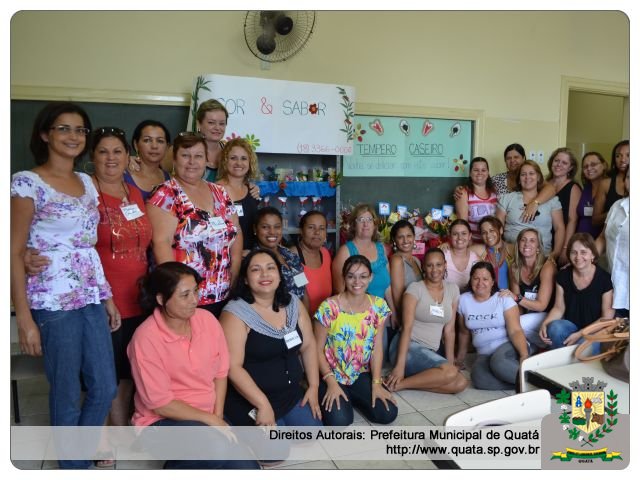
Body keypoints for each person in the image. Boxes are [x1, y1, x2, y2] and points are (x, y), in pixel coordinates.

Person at [10, 102, 117, 469]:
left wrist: (107, 297)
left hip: (89, 295)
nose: (74, 136)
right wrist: (24, 320)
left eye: (80, 130)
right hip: (52, 300)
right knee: (67, 391)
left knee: (105, 386)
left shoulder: (87, 182)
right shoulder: (27, 181)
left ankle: (77, 455)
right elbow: (13, 250)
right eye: (64, 129)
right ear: (45, 134)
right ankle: (75, 466)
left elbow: (86, 246)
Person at [127, 262, 258, 469]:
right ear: (161, 299)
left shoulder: (207, 320)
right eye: (184, 295)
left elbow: (221, 374)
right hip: (160, 423)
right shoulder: (145, 338)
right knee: (216, 448)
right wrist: (211, 422)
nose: (194, 300)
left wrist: (217, 416)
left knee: (248, 468)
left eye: (196, 291)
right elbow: (161, 403)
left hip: (205, 415)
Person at [90, 127, 153, 431]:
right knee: (101, 372)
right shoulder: (86, 192)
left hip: (138, 299)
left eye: (118, 151)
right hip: (104, 299)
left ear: (129, 157)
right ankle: (102, 432)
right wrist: (104, 296)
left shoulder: (136, 194)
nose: (111, 158)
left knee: (129, 368)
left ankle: (120, 425)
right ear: (92, 157)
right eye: (103, 151)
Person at [220, 249, 322, 427]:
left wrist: (313, 387)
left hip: (288, 394)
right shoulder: (235, 313)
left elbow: (309, 345)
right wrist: (262, 404)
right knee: (275, 450)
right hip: (251, 400)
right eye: (255, 269)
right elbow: (233, 368)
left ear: (280, 275)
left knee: (312, 429)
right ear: (245, 279)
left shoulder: (293, 303)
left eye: (270, 268)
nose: (264, 274)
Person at [147, 132, 243, 318]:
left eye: (198, 156)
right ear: (174, 159)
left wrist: (235, 273)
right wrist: (176, 291)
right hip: (186, 300)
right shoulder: (166, 195)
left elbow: (236, 232)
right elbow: (161, 244)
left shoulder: (220, 192)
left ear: (206, 160)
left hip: (223, 294)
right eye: (185, 155)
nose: (192, 161)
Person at [314, 255, 398, 426]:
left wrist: (376, 383)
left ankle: (353, 396)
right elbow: (316, 349)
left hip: (360, 373)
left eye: (363, 276)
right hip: (332, 373)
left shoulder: (379, 306)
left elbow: (376, 348)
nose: (356, 281)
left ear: (371, 278)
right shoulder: (328, 307)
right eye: (351, 276)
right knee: (340, 420)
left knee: (388, 413)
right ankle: (339, 396)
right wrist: (330, 381)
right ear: (344, 277)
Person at [386, 248, 468, 393]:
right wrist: (399, 366)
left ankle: (404, 383)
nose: (434, 269)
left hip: (430, 352)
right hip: (407, 347)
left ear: (445, 265)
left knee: (460, 382)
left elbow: (449, 331)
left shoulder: (453, 289)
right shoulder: (415, 289)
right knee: (449, 373)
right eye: (430, 265)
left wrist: (449, 363)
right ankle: (398, 384)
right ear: (424, 267)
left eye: (438, 265)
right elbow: (407, 328)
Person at [456, 262, 530, 390]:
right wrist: (459, 359)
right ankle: (524, 385)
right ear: (471, 279)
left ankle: (538, 381)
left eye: (485, 279)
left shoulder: (503, 298)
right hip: (483, 354)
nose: (480, 283)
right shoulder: (463, 300)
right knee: (479, 378)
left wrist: (524, 355)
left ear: (492, 282)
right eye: (476, 278)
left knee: (498, 362)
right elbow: (464, 333)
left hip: (509, 347)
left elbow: (515, 330)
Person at [539, 233, 614, 349]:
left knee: (583, 346)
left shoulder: (605, 279)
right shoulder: (563, 276)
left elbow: (607, 318)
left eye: (583, 252)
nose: (578, 257)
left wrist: (580, 334)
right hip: (571, 326)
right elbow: (559, 308)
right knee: (554, 328)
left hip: (595, 330)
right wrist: (545, 323)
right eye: (574, 252)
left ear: (593, 254)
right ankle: (559, 362)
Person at [497, 160, 565, 258]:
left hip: (543, 256)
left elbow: (559, 228)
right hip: (512, 255)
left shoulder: (552, 201)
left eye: (531, 173)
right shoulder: (507, 199)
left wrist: (555, 254)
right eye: (523, 174)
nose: (527, 177)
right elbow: (497, 228)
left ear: (538, 177)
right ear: (519, 180)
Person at [502, 228, 556, 348]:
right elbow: (517, 305)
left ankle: (545, 346)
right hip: (529, 315)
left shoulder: (547, 266)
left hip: (548, 314)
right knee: (511, 322)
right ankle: (536, 345)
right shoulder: (514, 268)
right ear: (518, 244)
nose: (527, 244)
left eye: (532, 241)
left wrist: (516, 298)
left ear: (538, 247)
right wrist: (515, 316)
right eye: (523, 240)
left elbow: (542, 305)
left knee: (515, 325)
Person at [253, 207, 309, 309]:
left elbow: (303, 289)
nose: (272, 232)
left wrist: (306, 319)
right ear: (255, 229)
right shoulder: (253, 260)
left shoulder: (290, 255)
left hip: (300, 317)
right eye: (265, 227)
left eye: (277, 227)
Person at [595, 167, 629, 318]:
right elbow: (603, 237)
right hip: (613, 281)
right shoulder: (617, 206)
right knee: (613, 334)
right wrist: (586, 257)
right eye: (629, 177)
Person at [216, 137, 260, 252]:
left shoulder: (252, 191)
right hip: (225, 257)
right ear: (225, 161)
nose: (239, 163)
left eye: (244, 158)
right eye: (233, 158)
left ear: (250, 162)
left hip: (251, 256)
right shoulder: (216, 190)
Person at [289, 210, 333, 315]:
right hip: (302, 322)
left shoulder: (325, 253)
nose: (317, 232)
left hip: (324, 322)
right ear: (301, 230)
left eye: (322, 228)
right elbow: (301, 295)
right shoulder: (292, 256)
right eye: (311, 227)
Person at [545, 147, 582, 265]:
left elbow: (572, 220)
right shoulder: (544, 183)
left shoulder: (574, 188)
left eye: (564, 162)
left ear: (570, 168)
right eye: (556, 161)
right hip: (544, 238)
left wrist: (565, 248)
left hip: (561, 240)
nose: (558, 164)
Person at [124, 120, 172, 202]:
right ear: (136, 145)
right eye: (147, 140)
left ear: (167, 147)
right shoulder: (123, 175)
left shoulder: (170, 179)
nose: (154, 146)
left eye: (160, 141)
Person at [454, 157, 498, 243]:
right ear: (470, 173)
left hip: (492, 241)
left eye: (483, 170)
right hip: (474, 242)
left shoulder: (494, 192)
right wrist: (469, 245)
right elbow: (463, 225)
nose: (480, 173)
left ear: (488, 173)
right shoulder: (463, 193)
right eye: (476, 170)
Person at [389, 220, 423, 327]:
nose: (405, 240)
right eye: (400, 237)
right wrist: (406, 321)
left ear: (414, 237)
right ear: (394, 240)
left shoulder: (416, 260)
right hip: (408, 318)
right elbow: (398, 297)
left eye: (409, 236)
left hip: (418, 315)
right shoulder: (397, 260)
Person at [593, 140, 629, 229]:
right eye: (618, 156)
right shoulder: (606, 184)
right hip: (608, 236)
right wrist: (616, 211)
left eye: (628, 155)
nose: (623, 160)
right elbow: (595, 220)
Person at [195, 99, 229, 182]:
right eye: (211, 122)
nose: (217, 128)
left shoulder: (230, 152)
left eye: (221, 123)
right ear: (199, 124)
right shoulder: (185, 149)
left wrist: (251, 187)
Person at [441, 219, 480, 291]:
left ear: (469, 236)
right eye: (455, 234)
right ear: (450, 237)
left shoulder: (476, 258)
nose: (460, 237)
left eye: (464, 233)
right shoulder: (442, 255)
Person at [576, 151, 608, 238]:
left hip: (601, 241)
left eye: (593, 164)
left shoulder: (610, 188)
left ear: (604, 165)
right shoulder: (585, 188)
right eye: (585, 167)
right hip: (581, 239)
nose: (589, 168)